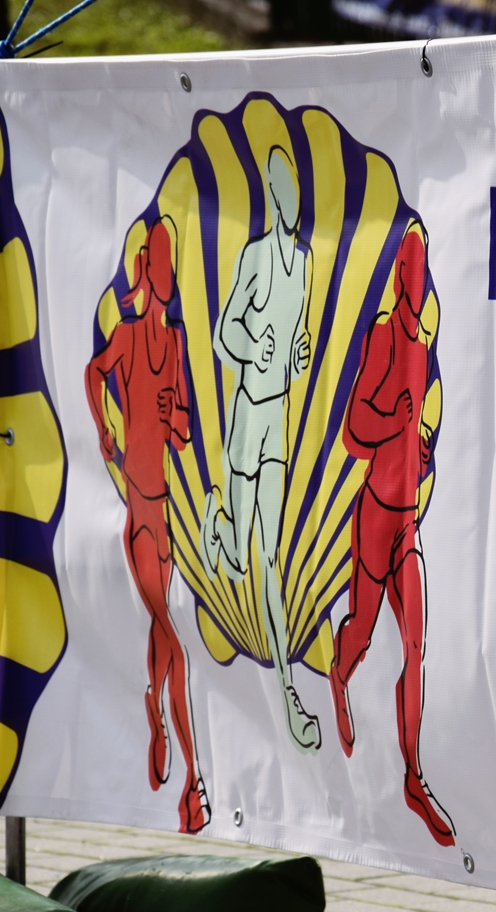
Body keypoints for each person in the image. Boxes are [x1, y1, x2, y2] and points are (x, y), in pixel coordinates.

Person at [85, 217, 210, 834]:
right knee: (172, 634)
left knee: (165, 630)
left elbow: (183, 431)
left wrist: (173, 412)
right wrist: (105, 430)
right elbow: (93, 372)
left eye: (169, 262)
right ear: (145, 270)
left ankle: (155, 714)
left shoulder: (177, 343)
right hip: (138, 510)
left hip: (165, 513)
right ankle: (192, 782)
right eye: (157, 261)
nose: (164, 272)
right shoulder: (130, 335)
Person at [330, 229, 454, 847]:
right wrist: (393, 423)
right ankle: (338, 673)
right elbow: (355, 429)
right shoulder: (383, 337)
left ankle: (413, 775)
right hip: (375, 513)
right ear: (398, 273)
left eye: (422, 268)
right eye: (409, 266)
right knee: (361, 630)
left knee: (414, 645)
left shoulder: (424, 345)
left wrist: (420, 448)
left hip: (408, 521)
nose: (416, 278)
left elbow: (414, 430)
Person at [200, 146, 319, 753]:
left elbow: (296, 346)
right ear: (273, 200)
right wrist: (255, 348)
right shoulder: (254, 257)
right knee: (242, 561)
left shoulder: (306, 265)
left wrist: (295, 356)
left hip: (280, 419)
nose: (292, 202)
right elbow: (225, 334)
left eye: (294, 190)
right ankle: (218, 527)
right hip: (248, 417)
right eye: (283, 191)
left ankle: (288, 691)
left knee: (269, 561)